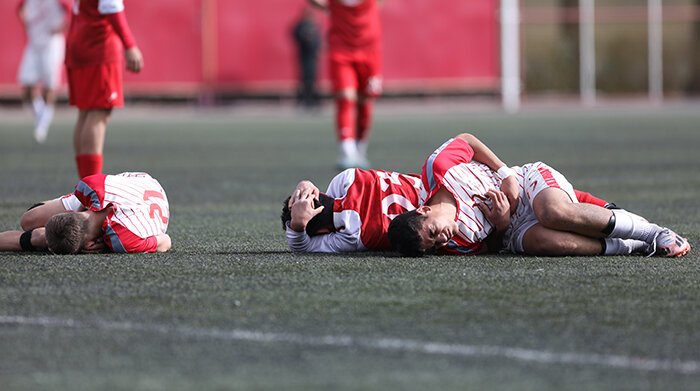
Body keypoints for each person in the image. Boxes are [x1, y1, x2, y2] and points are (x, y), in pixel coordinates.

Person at [387, 133, 691, 258]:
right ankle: (630, 245)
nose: (443, 239)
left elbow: (467, 140)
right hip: (513, 227)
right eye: (435, 244)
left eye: (434, 233)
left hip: (526, 182)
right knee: (546, 242)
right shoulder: (457, 243)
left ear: (424, 210)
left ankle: (654, 231)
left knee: (552, 212)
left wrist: (505, 173)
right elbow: (493, 246)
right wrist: (503, 222)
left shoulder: (438, 169)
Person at [281, 168, 619, 253]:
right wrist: (297, 227)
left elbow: (321, 194)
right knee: (546, 238)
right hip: (455, 227)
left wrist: (306, 186)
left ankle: (603, 209)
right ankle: (617, 243)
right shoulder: (349, 237)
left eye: (308, 197)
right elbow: (304, 245)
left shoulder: (344, 181)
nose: (310, 199)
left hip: (446, 194)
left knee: (549, 204)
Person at [0, 172, 171, 254]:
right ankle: (46, 234)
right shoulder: (89, 188)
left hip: (144, 185)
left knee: (41, 238)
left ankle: (41, 237)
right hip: (139, 185)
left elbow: (165, 241)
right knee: (28, 220)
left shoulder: (123, 240)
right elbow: (166, 241)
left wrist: (106, 246)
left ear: (89, 245)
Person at [66, 0, 144, 178]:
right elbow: (112, 7)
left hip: (79, 41)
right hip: (98, 46)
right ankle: (91, 187)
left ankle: (85, 184)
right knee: (98, 113)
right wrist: (130, 44)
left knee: (85, 113)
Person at [309, 0, 383, 169]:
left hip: (370, 51)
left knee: (366, 102)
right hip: (341, 50)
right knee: (346, 98)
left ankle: (360, 149)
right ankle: (347, 151)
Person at [281, 168, 421, 252]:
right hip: (433, 184)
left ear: (322, 232)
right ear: (319, 193)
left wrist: (298, 226)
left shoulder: (352, 236)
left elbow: (301, 248)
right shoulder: (348, 177)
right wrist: (305, 183)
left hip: (434, 226)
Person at [16, 0, 70, 143]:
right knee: (27, 87)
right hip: (34, 44)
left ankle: (43, 125)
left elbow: (72, 12)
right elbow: (20, 9)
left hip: (51, 44)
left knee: (49, 87)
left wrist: (61, 27)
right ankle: (42, 115)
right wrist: (27, 23)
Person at [291, 6, 322, 110]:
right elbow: (295, 35)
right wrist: (304, 38)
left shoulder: (314, 26)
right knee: (305, 79)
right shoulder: (301, 26)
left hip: (313, 57)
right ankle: (304, 99)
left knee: (313, 79)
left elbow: (317, 40)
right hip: (304, 57)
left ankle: (313, 99)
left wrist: (318, 48)